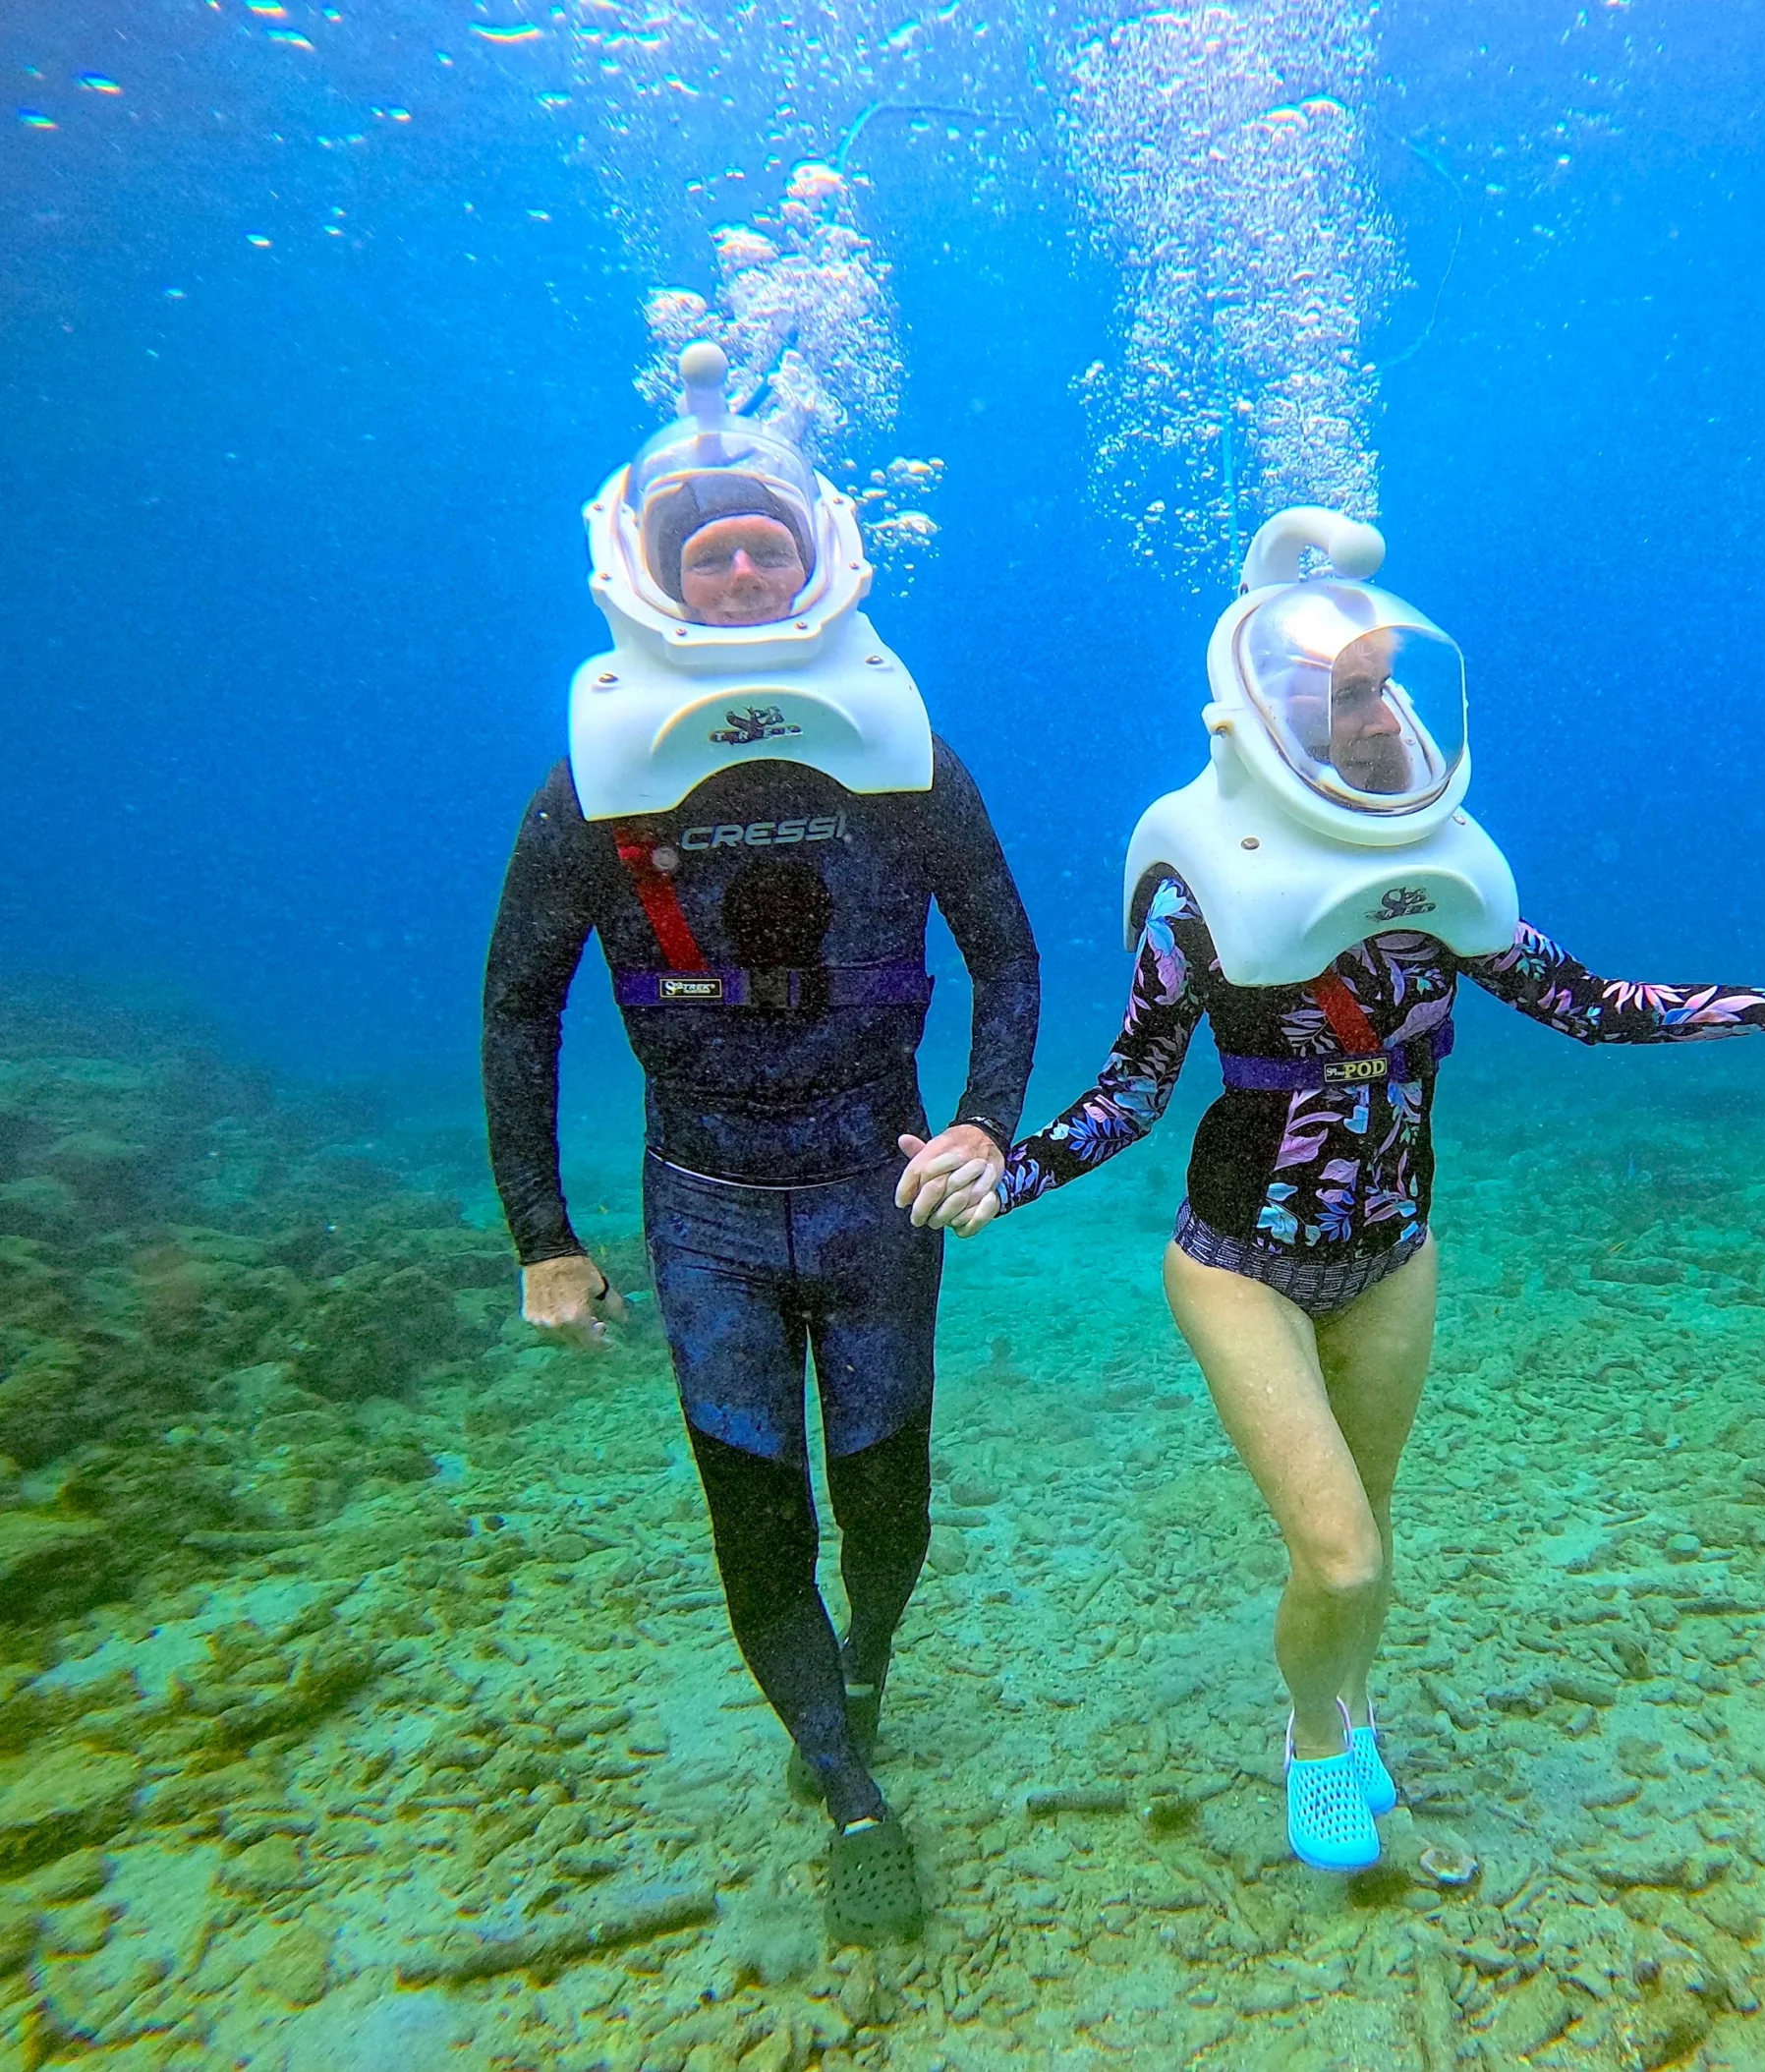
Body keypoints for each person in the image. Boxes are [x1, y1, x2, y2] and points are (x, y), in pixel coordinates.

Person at [902, 508, 1765, 1873]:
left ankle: (1345, 1697)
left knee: (1368, 1536)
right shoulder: (1203, 896)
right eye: (1339, 696)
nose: (1373, 720)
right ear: (1264, 721)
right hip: (1237, 1262)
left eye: (1384, 688)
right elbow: (1136, 1087)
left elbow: (1589, 1003)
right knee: (1343, 1559)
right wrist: (1000, 1176)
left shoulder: (1441, 882)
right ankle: (1316, 1739)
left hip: (1397, 1256)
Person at [484, 344, 1039, 1941]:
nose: (736, 570)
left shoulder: (903, 751)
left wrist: (988, 1124)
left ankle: (862, 1667)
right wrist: (546, 1235)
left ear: (815, 562)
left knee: (887, 1504)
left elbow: (1006, 955)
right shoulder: (588, 785)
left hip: (880, 1189)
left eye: (763, 548)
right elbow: (523, 1012)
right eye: (705, 552)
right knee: (756, 1508)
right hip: (705, 1204)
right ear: (650, 573)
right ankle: (850, 1787)